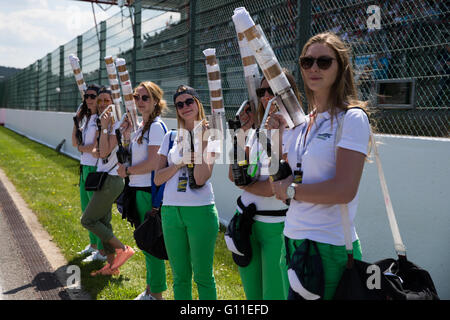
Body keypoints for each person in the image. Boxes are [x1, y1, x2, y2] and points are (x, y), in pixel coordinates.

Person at [267, 32, 371, 300]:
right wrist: (276, 138)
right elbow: (280, 180)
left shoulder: (352, 118)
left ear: (341, 67)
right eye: (307, 61)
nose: (314, 68)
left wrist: (291, 192)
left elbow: (344, 189)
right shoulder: (304, 122)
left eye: (324, 62)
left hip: (327, 246)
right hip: (292, 239)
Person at [227, 70, 302, 300]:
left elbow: (274, 188)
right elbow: (234, 174)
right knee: (252, 294)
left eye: (273, 91)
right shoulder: (257, 131)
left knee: (273, 294)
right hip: (246, 222)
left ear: (288, 94)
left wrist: (245, 185)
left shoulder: (296, 132)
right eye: (262, 91)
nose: (267, 96)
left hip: (275, 226)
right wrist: (240, 133)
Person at [154, 85, 219, 300]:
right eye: (179, 104)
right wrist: (178, 163)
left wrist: (200, 140)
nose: (184, 107)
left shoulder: (212, 135)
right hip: (171, 211)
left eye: (189, 101)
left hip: (200, 211)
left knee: (202, 276)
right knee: (180, 276)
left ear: (198, 102)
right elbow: (157, 178)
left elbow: (201, 178)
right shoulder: (171, 137)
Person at [117, 81, 168, 300]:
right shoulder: (141, 127)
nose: (139, 102)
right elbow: (130, 156)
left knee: (151, 242)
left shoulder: (155, 126)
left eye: (145, 98)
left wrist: (127, 171)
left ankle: (156, 294)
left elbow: (153, 163)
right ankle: (151, 289)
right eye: (137, 97)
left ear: (156, 101)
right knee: (146, 242)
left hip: (148, 191)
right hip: (138, 191)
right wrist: (127, 136)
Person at [81, 86, 135, 276]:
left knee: (87, 220)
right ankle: (112, 267)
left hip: (112, 180)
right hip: (105, 177)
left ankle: (123, 249)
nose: (103, 104)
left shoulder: (117, 124)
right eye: (101, 100)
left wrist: (104, 129)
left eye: (107, 100)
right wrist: (102, 132)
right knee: (103, 222)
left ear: (113, 103)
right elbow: (99, 151)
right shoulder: (106, 124)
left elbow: (102, 152)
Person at [72, 83, 106, 262]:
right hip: (84, 166)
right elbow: (75, 143)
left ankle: (101, 249)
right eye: (87, 96)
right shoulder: (86, 118)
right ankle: (93, 245)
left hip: (96, 167)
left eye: (93, 96)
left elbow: (93, 147)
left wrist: (82, 147)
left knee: (95, 211)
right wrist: (76, 120)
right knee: (86, 209)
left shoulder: (100, 118)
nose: (89, 99)